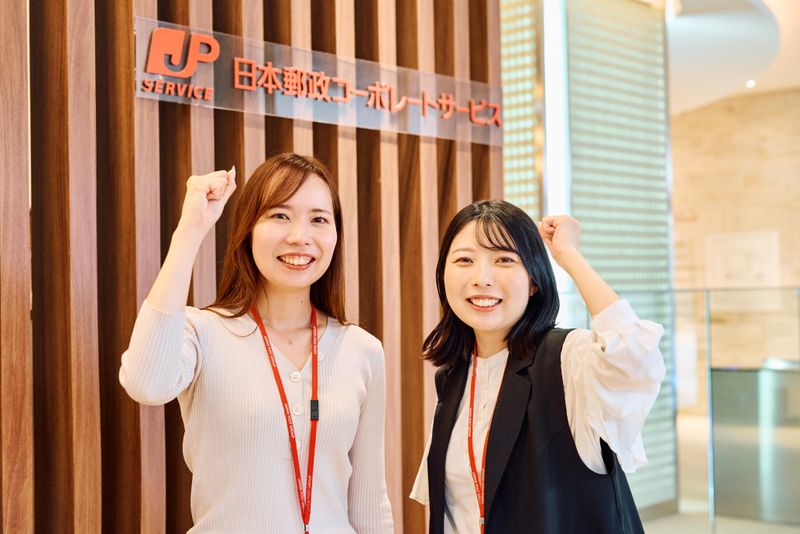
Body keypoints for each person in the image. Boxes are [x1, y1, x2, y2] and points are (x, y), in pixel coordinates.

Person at [120, 153, 394, 533]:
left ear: (335, 236)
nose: (300, 236)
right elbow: (146, 383)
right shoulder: (203, 333)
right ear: (248, 229)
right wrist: (191, 230)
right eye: (280, 215)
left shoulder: (362, 350)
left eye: (318, 219)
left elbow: (369, 504)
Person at [410, 200, 665, 533]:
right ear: (443, 276)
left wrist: (569, 256)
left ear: (534, 280)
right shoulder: (452, 377)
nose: (482, 278)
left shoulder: (566, 359)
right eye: (464, 260)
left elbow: (633, 355)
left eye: (504, 259)